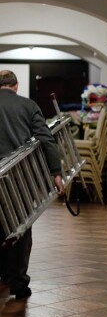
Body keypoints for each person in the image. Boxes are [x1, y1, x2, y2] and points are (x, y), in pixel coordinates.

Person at [0, 70, 63, 299]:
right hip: (20, 178)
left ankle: (2, 273)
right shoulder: (28, 106)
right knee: (21, 229)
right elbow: (46, 138)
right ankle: (18, 283)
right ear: (15, 86)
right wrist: (56, 172)